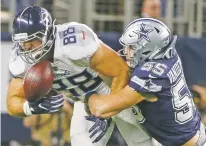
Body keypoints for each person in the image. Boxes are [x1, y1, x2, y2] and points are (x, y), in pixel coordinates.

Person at [7, 6, 154, 146]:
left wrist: (107, 108)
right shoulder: (21, 60)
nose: (27, 48)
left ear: (47, 34)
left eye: (31, 41)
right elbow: (12, 103)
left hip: (115, 90)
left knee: (143, 142)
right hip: (86, 100)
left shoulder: (73, 41)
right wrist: (30, 108)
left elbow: (120, 71)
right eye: (22, 43)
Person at [84, 18, 206, 146]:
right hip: (193, 134)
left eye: (131, 47)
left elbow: (101, 109)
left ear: (148, 48)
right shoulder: (169, 54)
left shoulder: (149, 76)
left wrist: (88, 95)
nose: (126, 51)